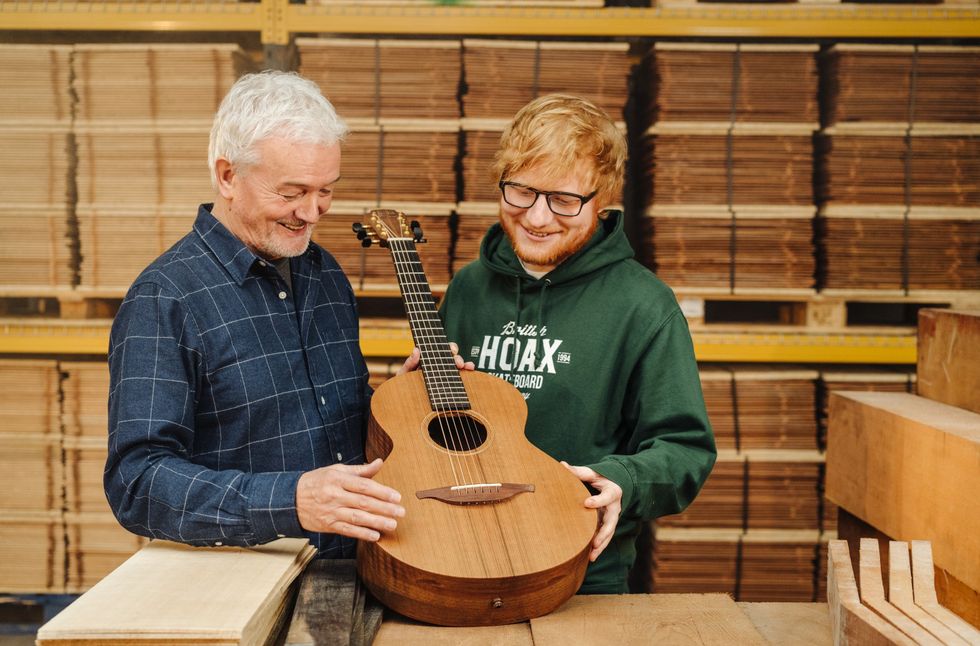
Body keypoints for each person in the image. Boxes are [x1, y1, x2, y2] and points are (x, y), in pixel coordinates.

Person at [105, 71, 468, 557]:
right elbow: (137, 482)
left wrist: (399, 402)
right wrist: (289, 501)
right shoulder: (165, 298)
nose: (313, 212)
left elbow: (332, 419)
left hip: (357, 564)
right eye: (292, 192)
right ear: (228, 176)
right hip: (244, 582)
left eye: (327, 191)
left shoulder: (323, 272)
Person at [439, 94, 717, 594]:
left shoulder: (644, 305)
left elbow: (685, 450)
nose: (539, 218)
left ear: (604, 196)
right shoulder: (468, 288)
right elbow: (442, 431)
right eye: (521, 191)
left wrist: (624, 481)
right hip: (457, 556)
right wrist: (414, 392)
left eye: (564, 200)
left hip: (581, 573)